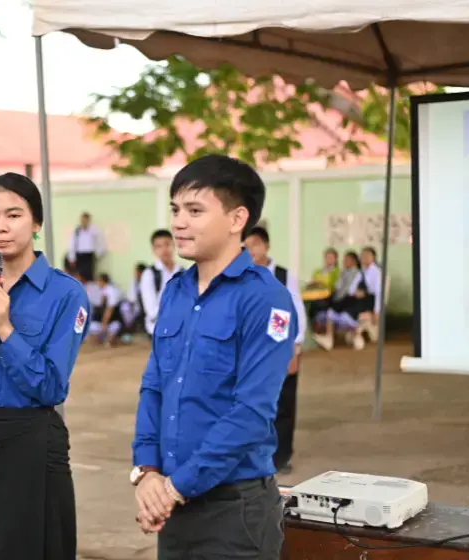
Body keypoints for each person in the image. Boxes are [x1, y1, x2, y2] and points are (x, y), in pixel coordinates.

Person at [130, 155, 296, 558]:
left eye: (195, 210)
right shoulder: (175, 291)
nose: (179, 222)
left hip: (234, 512)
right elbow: (155, 386)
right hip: (175, 504)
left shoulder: (265, 298)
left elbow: (251, 412)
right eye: (175, 209)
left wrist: (174, 487)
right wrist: (147, 472)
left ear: (238, 218)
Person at [0, 172, 91, 560]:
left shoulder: (65, 293)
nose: (0, 226)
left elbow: (51, 386)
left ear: (36, 224)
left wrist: (5, 327)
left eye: (13, 215)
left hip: (36, 439)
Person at [243, 226, 306, 474]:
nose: (251, 251)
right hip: (252, 349)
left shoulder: (283, 275)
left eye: (255, 244)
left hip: (280, 345)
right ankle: (256, 455)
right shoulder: (243, 275)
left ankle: (281, 457)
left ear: (266, 246)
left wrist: (295, 345)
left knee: (284, 403)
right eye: (246, 247)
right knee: (254, 402)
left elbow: (295, 308)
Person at [138, 229, 183, 337]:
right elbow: (151, 310)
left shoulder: (183, 272)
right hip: (157, 329)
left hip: (181, 330)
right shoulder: (149, 274)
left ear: (174, 245)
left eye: (167, 244)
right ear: (153, 250)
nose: (164, 250)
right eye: (159, 246)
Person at [87, 273, 125, 345]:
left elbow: (109, 310)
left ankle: (111, 337)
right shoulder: (101, 291)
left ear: (102, 281)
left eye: (98, 281)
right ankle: (102, 337)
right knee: (92, 327)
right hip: (102, 321)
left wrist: (104, 325)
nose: (97, 283)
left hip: (113, 320)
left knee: (115, 327)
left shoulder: (111, 290)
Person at [66, 211, 105, 281]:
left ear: (88, 220)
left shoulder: (94, 230)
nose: (83, 222)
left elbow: (100, 242)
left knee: (89, 276)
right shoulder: (77, 230)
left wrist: (98, 254)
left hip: (89, 255)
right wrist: (71, 257)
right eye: (82, 220)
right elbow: (72, 244)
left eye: (85, 220)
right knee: (79, 276)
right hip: (80, 256)